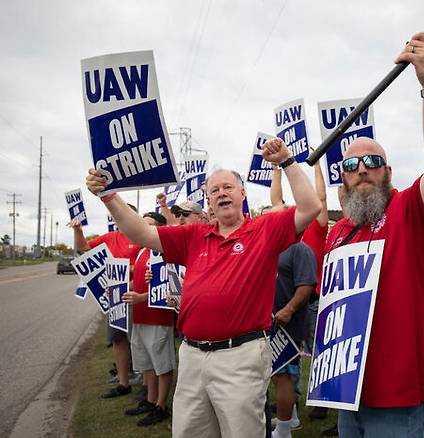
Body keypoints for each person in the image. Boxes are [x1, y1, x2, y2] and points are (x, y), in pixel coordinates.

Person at [85, 138, 321, 438]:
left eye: (228, 187)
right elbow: (142, 233)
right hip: (193, 356)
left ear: (242, 193)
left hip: (241, 357)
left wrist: (286, 161)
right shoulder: (194, 235)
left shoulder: (264, 229)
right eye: (214, 190)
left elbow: (312, 206)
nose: (221, 193)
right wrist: (109, 196)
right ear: (208, 200)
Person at [323, 31, 424, 437]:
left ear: (388, 172)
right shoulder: (339, 233)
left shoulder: (407, 211)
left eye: (373, 161)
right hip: (346, 388)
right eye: (352, 165)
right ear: (342, 182)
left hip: (396, 396)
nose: (362, 168)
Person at [69, 210, 142, 399]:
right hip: (114, 298)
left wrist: (124, 268)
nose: (118, 220)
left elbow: (147, 264)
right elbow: (83, 248)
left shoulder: (141, 236)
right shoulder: (110, 237)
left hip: (135, 295)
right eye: (116, 217)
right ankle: (123, 383)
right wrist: (78, 230)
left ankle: (146, 383)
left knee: (138, 341)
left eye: (122, 216)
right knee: (118, 340)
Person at [121, 212, 176, 427]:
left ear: (160, 228)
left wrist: (142, 297)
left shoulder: (165, 250)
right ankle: (151, 400)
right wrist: (120, 290)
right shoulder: (143, 251)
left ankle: (161, 406)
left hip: (158, 318)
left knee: (162, 364)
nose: (143, 229)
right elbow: (138, 283)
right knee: (147, 364)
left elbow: (169, 286)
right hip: (140, 318)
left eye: (149, 225)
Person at [270, 241, 317, 438]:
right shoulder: (271, 246)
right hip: (267, 322)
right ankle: (291, 416)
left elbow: (306, 284)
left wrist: (288, 310)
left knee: (284, 375)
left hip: (287, 324)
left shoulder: (300, 249)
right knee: (275, 373)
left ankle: (283, 431)